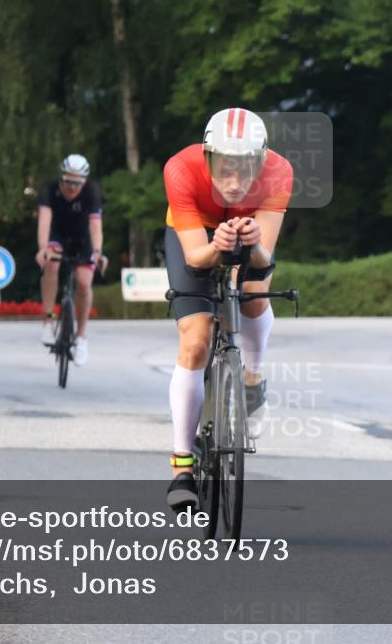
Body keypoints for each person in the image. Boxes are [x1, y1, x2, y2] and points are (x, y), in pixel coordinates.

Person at [163, 108, 293, 511]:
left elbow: (263, 259)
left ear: (261, 162)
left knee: (254, 293)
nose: (234, 183)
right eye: (224, 169)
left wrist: (252, 244)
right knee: (197, 340)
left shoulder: (279, 172)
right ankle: (182, 465)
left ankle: (252, 378)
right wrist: (217, 245)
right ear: (207, 158)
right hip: (197, 237)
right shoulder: (180, 169)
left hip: (250, 229)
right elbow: (195, 259)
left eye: (245, 170)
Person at [34, 154, 106, 365]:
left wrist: (98, 251)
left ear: (84, 181)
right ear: (61, 177)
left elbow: (95, 226)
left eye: (78, 183)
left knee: (84, 284)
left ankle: (81, 337)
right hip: (57, 236)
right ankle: (48, 322)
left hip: (83, 238)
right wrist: (42, 249)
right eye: (68, 181)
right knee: (51, 263)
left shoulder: (92, 191)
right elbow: (45, 222)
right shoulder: (49, 190)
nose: (72, 187)